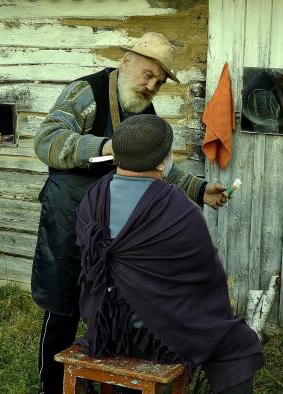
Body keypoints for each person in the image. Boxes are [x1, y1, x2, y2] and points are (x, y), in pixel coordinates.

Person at [32, 32, 228, 394]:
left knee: (105, 304)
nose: (152, 84)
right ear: (126, 62)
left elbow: (156, 164)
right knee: (62, 306)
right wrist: (107, 145)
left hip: (113, 226)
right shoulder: (86, 93)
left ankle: (98, 378)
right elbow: (46, 140)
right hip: (69, 216)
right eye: (147, 74)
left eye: (159, 80)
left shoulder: (142, 108)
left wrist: (199, 189)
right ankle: (49, 385)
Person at [76, 114, 264, 394]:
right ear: (163, 159)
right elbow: (207, 279)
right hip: (159, 335)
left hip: (104, 326)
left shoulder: (93, 197)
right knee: (239, 345)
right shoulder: (177, 208)